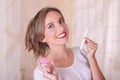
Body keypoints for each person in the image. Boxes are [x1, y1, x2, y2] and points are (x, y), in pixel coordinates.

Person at [25, 7, 105, 80]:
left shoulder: (80, 52)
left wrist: (91, 57)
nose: (61, 28)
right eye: (51, 26)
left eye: (61, 21)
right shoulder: (42, 73)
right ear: (42, 37)